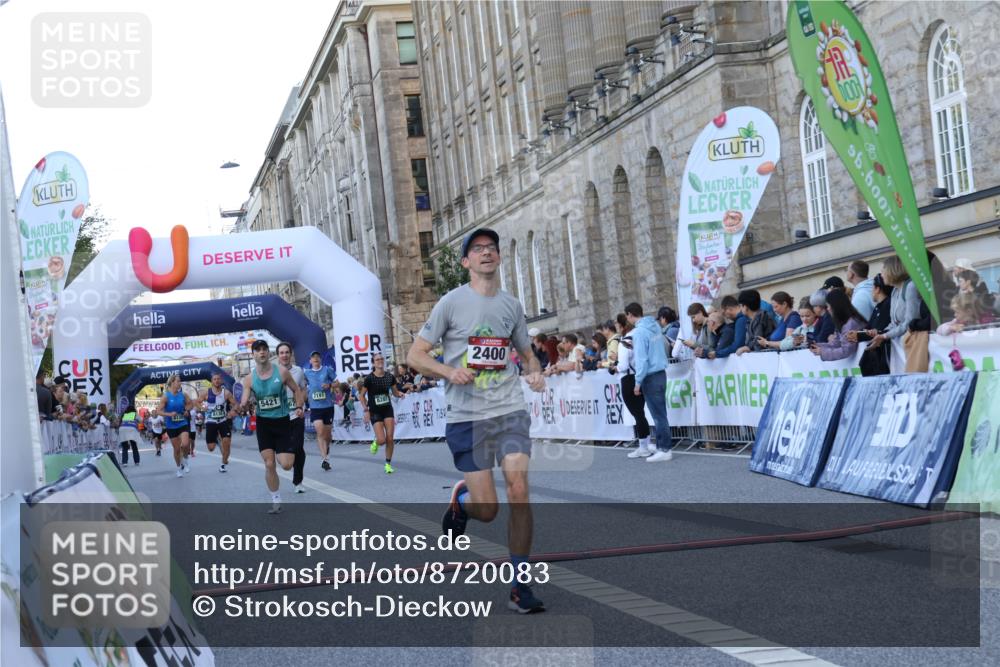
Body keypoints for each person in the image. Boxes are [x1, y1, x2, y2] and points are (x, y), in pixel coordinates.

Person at [406, 227, 546, 614]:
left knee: (518, 489)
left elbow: (526, 353)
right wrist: (448, 372)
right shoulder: (450, 304)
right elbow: (415, 355)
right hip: (467, 416)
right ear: (466, 262)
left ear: (498, 258)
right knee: (488, 510)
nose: (486, 253)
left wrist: (534, 372)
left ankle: (520, 585)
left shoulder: (511, 306)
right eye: (478, 250)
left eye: (492, 248)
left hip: (508, 409)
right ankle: (462, 502)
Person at [236, 339, 306, 514]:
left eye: (264, 349)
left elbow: (297, 389)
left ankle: (290, 475)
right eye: (257, 350)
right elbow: (245, 398)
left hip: (283, 422)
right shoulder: (249, 379)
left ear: (268, 353)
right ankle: (276, 499)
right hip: (264, 424)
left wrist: (298, 407)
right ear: (253, 355)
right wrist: (243, 405)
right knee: (269, 464)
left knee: (287, 465)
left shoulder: (281, 372)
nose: (261, 352)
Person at [625, 302, 673, 463]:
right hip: (661, 371)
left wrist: (637, 382)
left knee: (658, 415)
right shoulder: (655, 326)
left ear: (630, 315)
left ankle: (664, 449)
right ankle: (662, 447)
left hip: (650, 375)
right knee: (661, 413)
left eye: (628, 316)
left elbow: (642, 359)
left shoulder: (638, 333)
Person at [359, 352, 405, 474]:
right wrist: (365, 410)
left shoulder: (390, 377)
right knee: (382, 440)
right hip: (375, 411)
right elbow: (361, 396)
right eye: (377, 359)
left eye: (381, 359)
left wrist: (399, 394)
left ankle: (388, 464)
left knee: (390, 438)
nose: (380, 361)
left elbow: (394, 392)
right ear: (373, 363)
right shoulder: (369, 379)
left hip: (387, 409)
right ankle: (376, 442)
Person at [277, 342, 309, 493]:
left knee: (298, 448)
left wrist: (300, 405)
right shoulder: (272, 372)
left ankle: (298, 481)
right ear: (278, 356)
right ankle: (283, 458)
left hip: (296, 415)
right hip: (278, 417)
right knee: (284, 452)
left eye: (287, 352)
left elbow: (303, 389)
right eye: (281, 353)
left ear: (291, 354)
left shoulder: (299, 371)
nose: (284, 355)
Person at [616, 320, 652, 458]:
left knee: (637, 414)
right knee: (640, 413)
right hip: (640, 375)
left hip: (628, 378)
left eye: (618, 327)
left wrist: (614, 367)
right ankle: (645, 444)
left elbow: (623, 365)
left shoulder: (624, 342)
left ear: (622, 327)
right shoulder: (639, 338)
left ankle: (643, 446)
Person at [810, 289, 867, 361]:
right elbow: (836, 343)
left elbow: (846, 350)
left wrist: (822, 351)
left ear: (835, 306)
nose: (828, 309)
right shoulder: (843, 322)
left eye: (828, 306)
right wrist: (818, 345)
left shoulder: (851, 323)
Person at [304, 350, 338, 472]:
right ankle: (325, 459)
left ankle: (327, 450)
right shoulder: (306, 373)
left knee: (327, 435)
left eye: (318, 357)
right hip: (315, 407)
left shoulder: (327, 370)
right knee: (320, 432)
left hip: (328, 406)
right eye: (313, 358)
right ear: (310, 361)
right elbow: (301, 385)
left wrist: (329, 385)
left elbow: (337, 383)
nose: (316, 359)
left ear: (320, 359)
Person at [199, 372, 237, 473]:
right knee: (211, 448)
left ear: (221, 381)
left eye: (218, 379)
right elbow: (197, 403)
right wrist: (202, 407)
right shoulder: (206, 393)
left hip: (222, 421)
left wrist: (233, 412)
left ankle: (223, 464)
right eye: (214, 379)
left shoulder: (226, 393)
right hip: (210, 422)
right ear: (211, 381)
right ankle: (216, 439)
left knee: (227, 443)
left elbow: (235, 404)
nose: (216, 381)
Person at [158, 374, 193, 478]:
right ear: (172, 382)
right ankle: (178, 468)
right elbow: (159, 411)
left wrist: (187, 410)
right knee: (177, 449)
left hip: (182, 423)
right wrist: (169, 414)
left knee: (186, 444)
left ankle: (185, 460)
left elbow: (191, 404)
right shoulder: (166, 396)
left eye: (180, 381)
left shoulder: (183, 395)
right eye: (178, 381)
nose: (180, 383)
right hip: (171, 426)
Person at [736, 289, 775, 354]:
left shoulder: (761, 318)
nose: (740, 309)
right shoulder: (751, 320)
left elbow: (758, 341)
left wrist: (747, 348)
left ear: (745, 307)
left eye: (740, 306)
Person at [118, 403, 142, 467]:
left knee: (124, 447)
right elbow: (141, 420)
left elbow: (119, 423)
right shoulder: (134, 414)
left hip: (122, 429)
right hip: (131, 429)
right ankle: (137, 461)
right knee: (134, 446)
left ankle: (124, 462)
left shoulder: (124, 414)